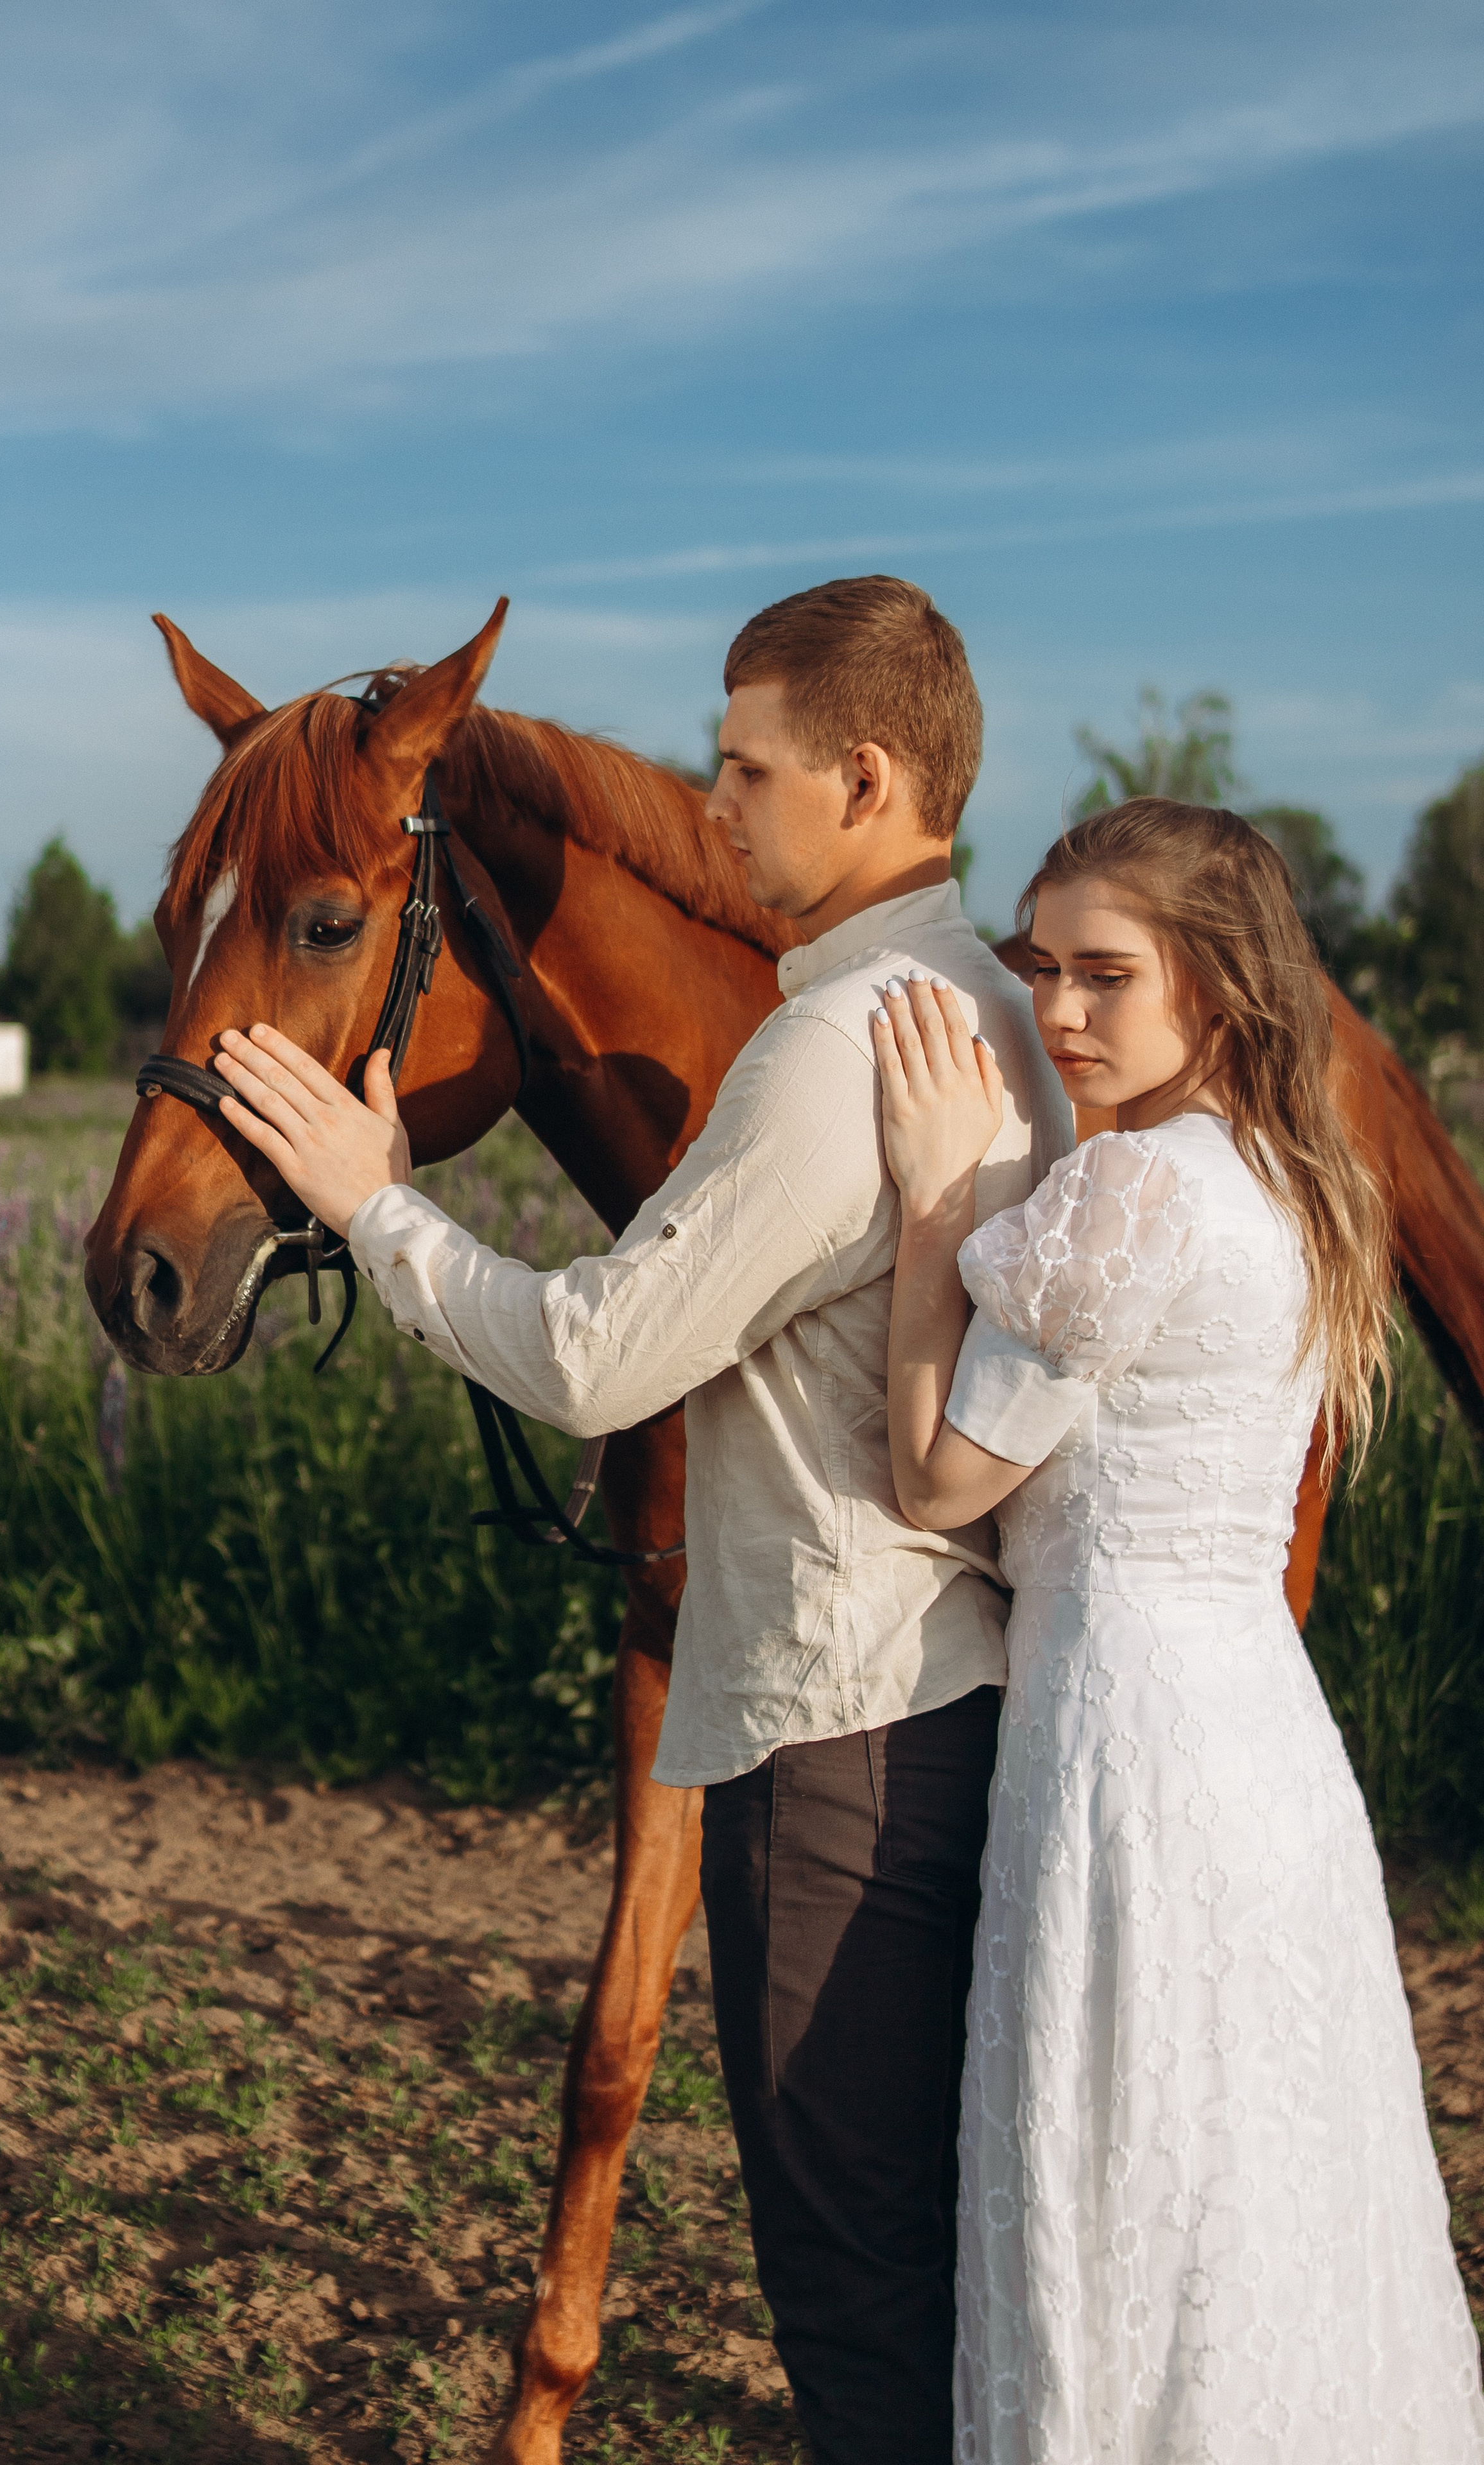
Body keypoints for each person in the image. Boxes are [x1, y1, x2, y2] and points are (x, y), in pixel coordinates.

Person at [209, 575, 1073, 2462]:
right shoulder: (1002, 1007)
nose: (715, 799)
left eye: (746, 765)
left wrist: (371, 1200)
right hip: (949, 1703)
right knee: (945, 2274)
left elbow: (597, 1354)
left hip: (832, 1741)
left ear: (860, 778)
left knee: (855, 2309)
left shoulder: (827, 1051)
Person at [871, 796, 1484, 2464]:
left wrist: (937, 1215)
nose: (1057, 1012)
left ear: (1216, 984)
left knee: (1125, 2182)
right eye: (1039, 965)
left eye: (1105, 976)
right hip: (1267, 1743)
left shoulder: (1128, 1190)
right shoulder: (1300, 1175)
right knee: (1264, 2196)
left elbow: (938, 1482)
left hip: (1126, 1752)